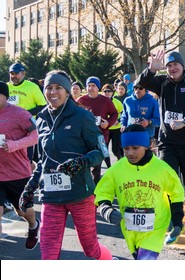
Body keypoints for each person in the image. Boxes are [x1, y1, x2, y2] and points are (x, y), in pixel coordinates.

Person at [18, 70, 113, 260]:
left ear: (68, 91)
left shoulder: (81, 116)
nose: (53, 92)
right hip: (51, 196)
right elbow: (43, 162)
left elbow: (101, 150)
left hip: (80, 194)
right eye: (49, 88)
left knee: (91, 249)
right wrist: (29, 188)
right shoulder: (42, 119)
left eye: (58, 88)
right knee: (48, 252)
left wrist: (82, 161)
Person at [138, 50, 185, 240]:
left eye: (175, 65)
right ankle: (175, 223)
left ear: (182, 65)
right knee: (170, 183)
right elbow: (141, 83)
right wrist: (151, 70)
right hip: (167, 143)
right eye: (168, 65)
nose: (172, 68)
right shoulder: (162, 83)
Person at [94, 124, 185, 260]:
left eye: (135, 148)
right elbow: (102, 193)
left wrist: (177, 219)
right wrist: (106, 210)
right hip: (129, 228)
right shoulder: (116, 169)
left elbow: (176, 192)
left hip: (156, 226)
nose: (130, 153)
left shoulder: (161, 169)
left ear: (146, 146)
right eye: (126, 149)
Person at [0, 81, 40, 248]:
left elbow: (35, 136)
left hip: (18, 173)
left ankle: (33, 225)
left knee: (22, 211)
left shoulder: (20, 114)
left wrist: (14, 145)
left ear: (5, 96)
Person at [76, 77, 118, 184]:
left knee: (96, 165)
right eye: (88, 86)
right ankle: (85, 188)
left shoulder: (105, 100)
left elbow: (114, 113)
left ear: (98, 87)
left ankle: (96, 191)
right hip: (83, 137)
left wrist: (108, 123)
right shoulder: (80, 100)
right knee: (83, 163)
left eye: (93, 86)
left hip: (100, 136)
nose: (91, 88)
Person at [120, 82, 160, 150]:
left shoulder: (153, 102)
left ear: (145, 89)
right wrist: (123, 125)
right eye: (135, 88)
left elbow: (159, 121)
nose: (138, 90)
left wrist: (148, 122)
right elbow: (124, 117)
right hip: (130, 135)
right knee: (132, 158)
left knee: (148, 159)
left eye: (141, 88)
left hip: (147, 137)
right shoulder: (127, 101)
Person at [102, 84, 124, 166]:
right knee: (104, 150)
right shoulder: (100, 102)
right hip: (104, 129)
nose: (107, 93)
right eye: (105, 91)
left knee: (115, 150)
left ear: (112, 92)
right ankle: (109, 167)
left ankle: (120, 160)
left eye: (109, 91)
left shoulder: (117, 102)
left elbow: (123, 114)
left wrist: (117, 120)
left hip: (116, 128)